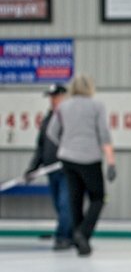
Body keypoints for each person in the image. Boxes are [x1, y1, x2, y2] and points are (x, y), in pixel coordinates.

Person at [46, 74, 117, 257]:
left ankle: (79, 241)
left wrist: (65, 144)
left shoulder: (63, 106)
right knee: (98, 197)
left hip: (67, 158)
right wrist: (111, 162)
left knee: (75, 199)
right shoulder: (96, 106)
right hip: (90, 158)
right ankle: (83, 233)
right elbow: (104, 134)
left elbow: (51, 132)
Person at [25, 83, 72, 250]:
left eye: (56, 97)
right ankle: (71, 235)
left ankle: (62, 237)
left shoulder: (70, 118)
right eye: (51, 97)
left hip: (67, 170)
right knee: (59, 205)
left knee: (66, 204)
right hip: (51, 170)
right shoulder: (48, 119)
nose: (52, 100)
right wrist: (33, 168)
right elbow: (41, 146)